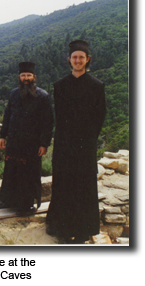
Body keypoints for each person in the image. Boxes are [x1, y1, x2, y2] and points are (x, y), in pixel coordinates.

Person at [46, 40, 106, 243]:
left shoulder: (97, 86)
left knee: (84, 187)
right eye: (74, 57)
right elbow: (60, 119)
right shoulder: (60, 86)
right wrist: (64, 144)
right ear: (69, 60)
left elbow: (99, 117)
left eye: (81, 57)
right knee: (63, 185)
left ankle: (83, 231)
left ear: (87, 60)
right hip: (64, 146)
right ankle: (62, 229)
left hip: (86, 147)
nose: (78, 60)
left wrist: (87, 142)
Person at [0, 62, 54, 213]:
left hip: (32, 145)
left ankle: (26, 205)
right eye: (23, 75)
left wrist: (44, 144)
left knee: (28, 174)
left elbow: (48, 123)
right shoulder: (14, 94)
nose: (26, 78)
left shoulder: (43, 96)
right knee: (11, 172)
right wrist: (2, 135)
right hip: (14, 142)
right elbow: (8, 115)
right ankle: (9, 201)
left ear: (34, 77)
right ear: (19, 77)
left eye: (28, 75)